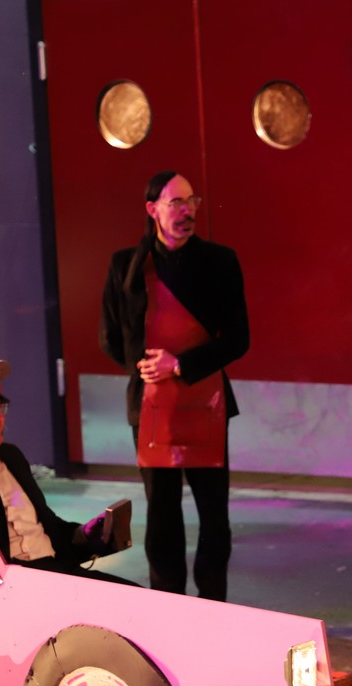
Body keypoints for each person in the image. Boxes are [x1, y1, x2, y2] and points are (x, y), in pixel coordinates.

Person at [100, 171, 249, 601]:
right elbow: (110, 337)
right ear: (152, 210)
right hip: (151, 405)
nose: (187, 211)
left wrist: (179, 365)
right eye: (176, 203)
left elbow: (238, 339)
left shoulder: (220, 261)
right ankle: (167, 604)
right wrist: (148, 369)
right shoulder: (125, 266)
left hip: (207, 401)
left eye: (191, 201)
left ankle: (213, 602)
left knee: (213, 514)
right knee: (161, 513)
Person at [0, 360, 136, 585]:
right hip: (3, 586)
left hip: (55, 570)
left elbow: (45, 523)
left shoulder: (10, 456)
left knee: (139, 596)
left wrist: (84, 533)